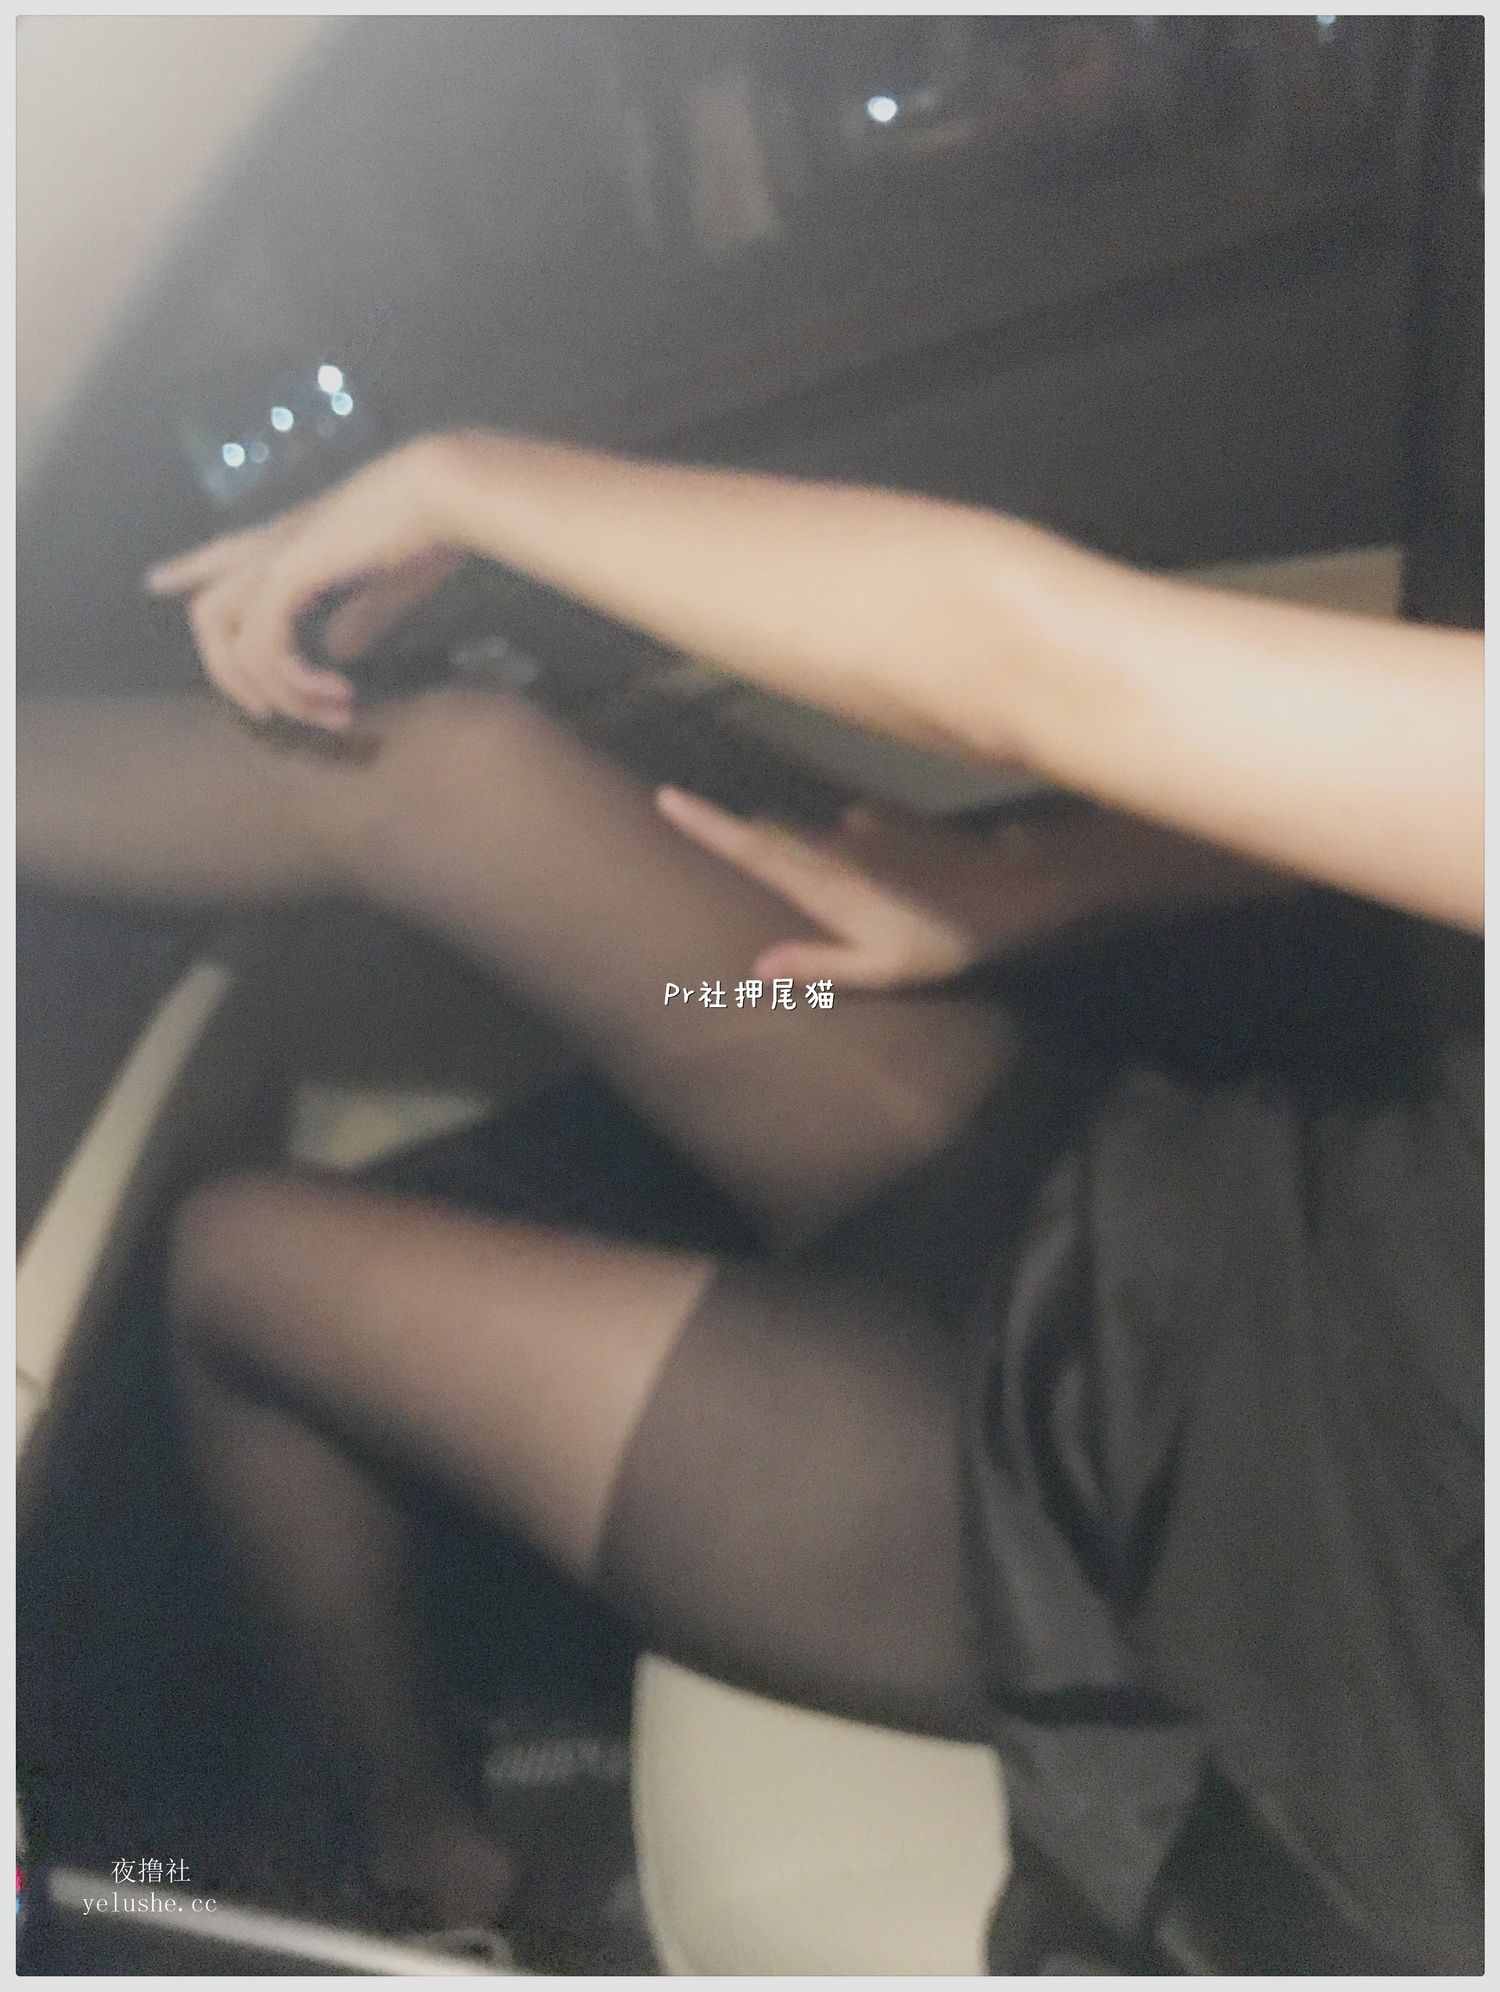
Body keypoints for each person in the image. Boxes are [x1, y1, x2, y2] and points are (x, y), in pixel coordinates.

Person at [17, 431, 1481, 1966]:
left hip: (1214, 1546)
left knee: (238, 1267)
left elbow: (1040, 663)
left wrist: (460, 481)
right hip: (1210, 1219)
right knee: (459, 774)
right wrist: (1039, 884)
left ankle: (428, 1863)